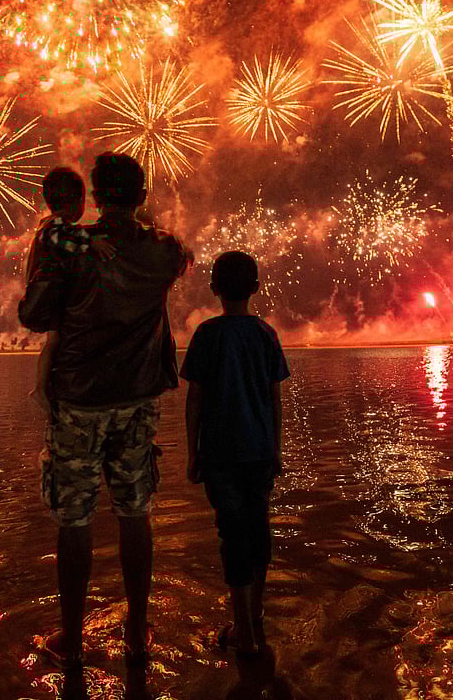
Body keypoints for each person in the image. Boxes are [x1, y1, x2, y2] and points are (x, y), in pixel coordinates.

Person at [18, 152, 191, 682]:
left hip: (77, 401)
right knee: (135, 512)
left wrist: (41, 250)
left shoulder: (73, 248)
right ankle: (136, 632)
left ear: (94, 198)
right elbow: (176, 252)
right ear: (141, 196)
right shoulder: (160, 251)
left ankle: (71, 639)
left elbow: (32, 314)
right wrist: (140, 220)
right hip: (136, 401)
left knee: (74, 518)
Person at [180, 251, 290, 659]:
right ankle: (255, 613)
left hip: (221, 454)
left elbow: (195, 399)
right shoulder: (266, 334)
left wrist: (193, 454)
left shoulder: (207, 335)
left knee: (232, 534)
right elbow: (275, 399)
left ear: (214, 289)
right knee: (258, 527)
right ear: (256, 289)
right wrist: (276, 448)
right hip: (260, 452)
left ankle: (242, 628)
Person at [26, 167, 113, 415]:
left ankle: (41, 388)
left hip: (49, 295)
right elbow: (62, 239)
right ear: (78, 202)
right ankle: (40, 389)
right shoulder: (54, 228)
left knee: (53, 342)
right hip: (53, 298)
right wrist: (90, 242)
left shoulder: (48, 226)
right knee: (53, 342)